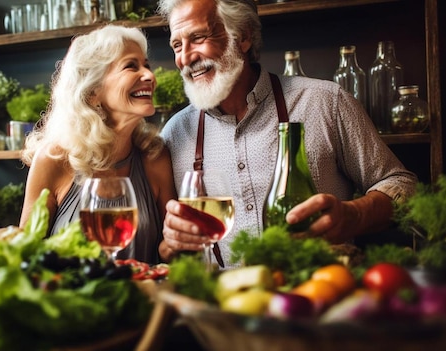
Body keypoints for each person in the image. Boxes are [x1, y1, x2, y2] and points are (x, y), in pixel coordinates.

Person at [156, 0, 417, 268]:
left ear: (243, 36)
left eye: (198, 38)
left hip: (319, 294)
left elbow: (404, 185)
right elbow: (166, 249)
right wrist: (171, 244)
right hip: (222, 303)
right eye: (177, 45)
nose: (186, 57)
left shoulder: (325, 102)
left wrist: (354, 215)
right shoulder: (174, 134)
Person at [19, 25, 177, 265]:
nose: (149, 76)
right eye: (131, 66)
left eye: (146, 65)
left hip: (143, 299)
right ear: (93, 92)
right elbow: (25, 254)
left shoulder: (155, 157)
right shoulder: (54, 159)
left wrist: (181, 244)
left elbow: (170, 250)